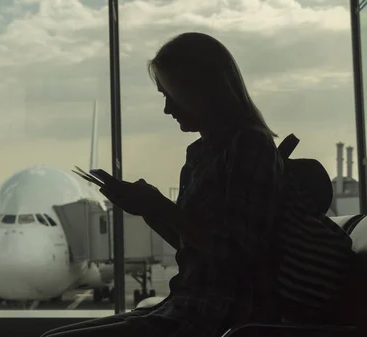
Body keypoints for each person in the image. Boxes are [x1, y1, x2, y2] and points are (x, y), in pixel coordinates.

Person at [40, 31, 317, 337]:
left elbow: (239, 253)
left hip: (221, 314)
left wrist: (160, 206)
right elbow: (196, 248)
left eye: (170, 95)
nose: (167, 109)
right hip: (188, 304)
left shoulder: (249, 145)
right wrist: (147, 209)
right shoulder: (201, 153)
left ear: (199, 91)